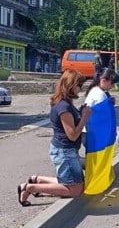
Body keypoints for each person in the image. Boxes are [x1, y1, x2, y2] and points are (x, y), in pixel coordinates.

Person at [18, 69, 92, 206]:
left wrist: (81, 114)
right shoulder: (63, 107)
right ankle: (29, 187)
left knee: (78, 184)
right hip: (64, 151)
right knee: (75, 190)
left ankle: (37, 180)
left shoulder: (65, 102)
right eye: (79, 85)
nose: (80, 89)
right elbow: (72, 135)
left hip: (66, 150)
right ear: (71, 85)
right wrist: (84, 118)